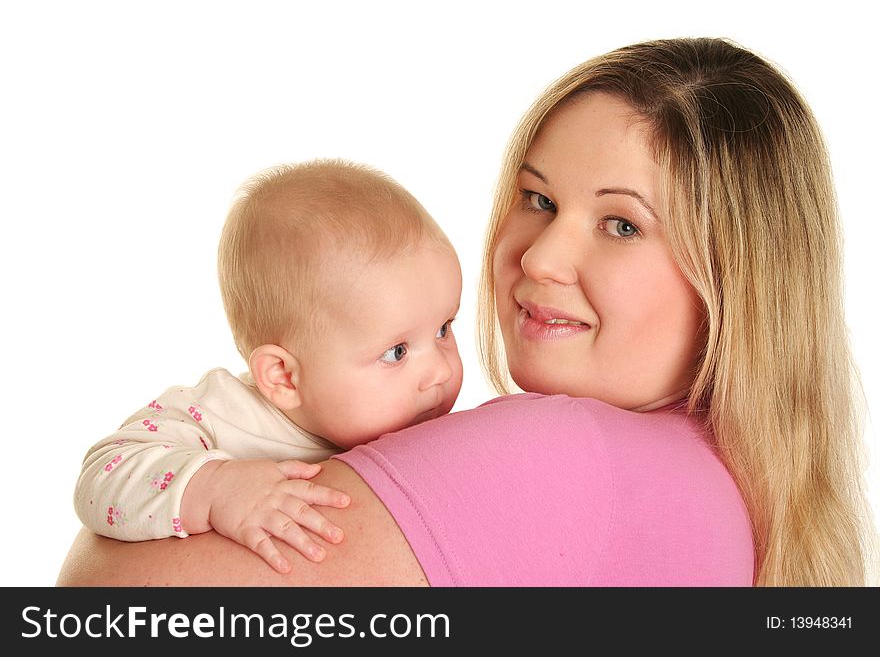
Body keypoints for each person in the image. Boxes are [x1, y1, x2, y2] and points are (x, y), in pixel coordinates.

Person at [58, 37, 874, 587]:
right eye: (537, 198)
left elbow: (103, 608)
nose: (540, 257)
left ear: (739, 279)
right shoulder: (735, 495)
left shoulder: (566, 453)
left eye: (621, 224)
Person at [72, 159, 464, 574]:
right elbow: (99, 479)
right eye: (396, 352)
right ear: (283, 377)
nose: (439, 371)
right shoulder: (222, 416)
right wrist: (216, 487)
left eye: (443, 329)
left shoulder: (419, 427)